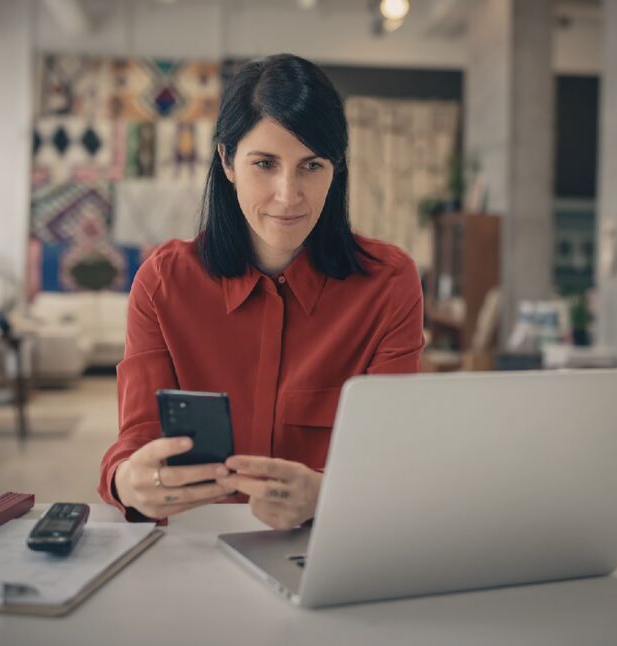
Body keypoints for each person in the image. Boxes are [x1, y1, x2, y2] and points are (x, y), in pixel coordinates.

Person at [98, 54, 424, 529]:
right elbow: (138, 443)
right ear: (227, 161)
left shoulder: (389, 284)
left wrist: (325, 493)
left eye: (311, 165)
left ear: (337, 169)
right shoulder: (162, 284)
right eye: (265, 164)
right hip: (192, 552)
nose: (288, 195)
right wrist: (128, 481)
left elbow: (394, 460)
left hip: (328, 548)